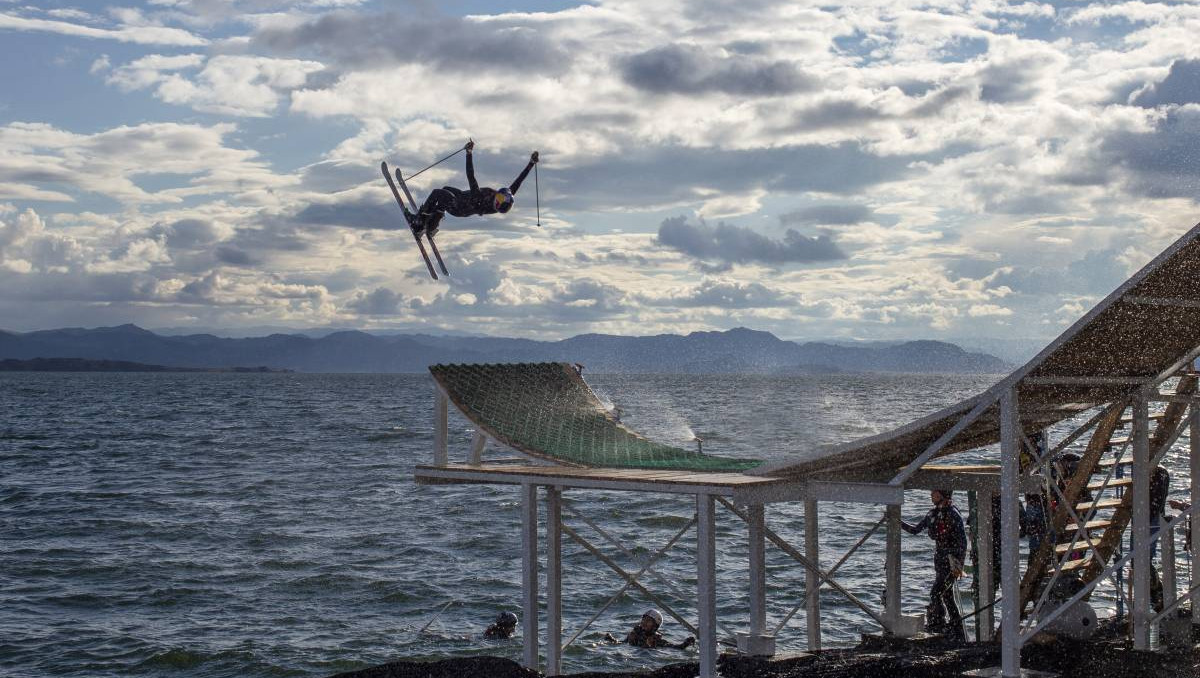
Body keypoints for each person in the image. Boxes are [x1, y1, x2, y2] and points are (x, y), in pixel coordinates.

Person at [413, 140, 539, 237]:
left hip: (458, 206)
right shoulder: (497, 204)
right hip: (461, 201)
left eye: (499, 198)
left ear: (498, 204)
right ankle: (431, 226)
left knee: (437, 193)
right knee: (445, 190)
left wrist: (469, 154)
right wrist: (531, 164)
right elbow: (518, 183)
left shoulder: (480, 199)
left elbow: (470, 176)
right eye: (500, 196)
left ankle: (419, 223)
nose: (497, 197)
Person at [903, 489, 967, 641]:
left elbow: (963, 543)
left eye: (935, 493)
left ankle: (939, 622)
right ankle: (956, 628)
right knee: (946, 595)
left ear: (944, 496)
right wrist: (897, 521)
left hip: (951, 561)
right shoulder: (932, 514)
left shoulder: (953, 514)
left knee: (936, 592)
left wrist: (958, 564)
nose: (931, 495)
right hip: (939, 560)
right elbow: (915, 530)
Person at [604, 609, 695, 649]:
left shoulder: (657, 640)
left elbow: (676, 648)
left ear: (655, 626)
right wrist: (611, 640)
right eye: (643, 619)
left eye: (648, 621)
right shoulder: (635, 633)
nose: (644, 622)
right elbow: (622, 643)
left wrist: (685, 643)